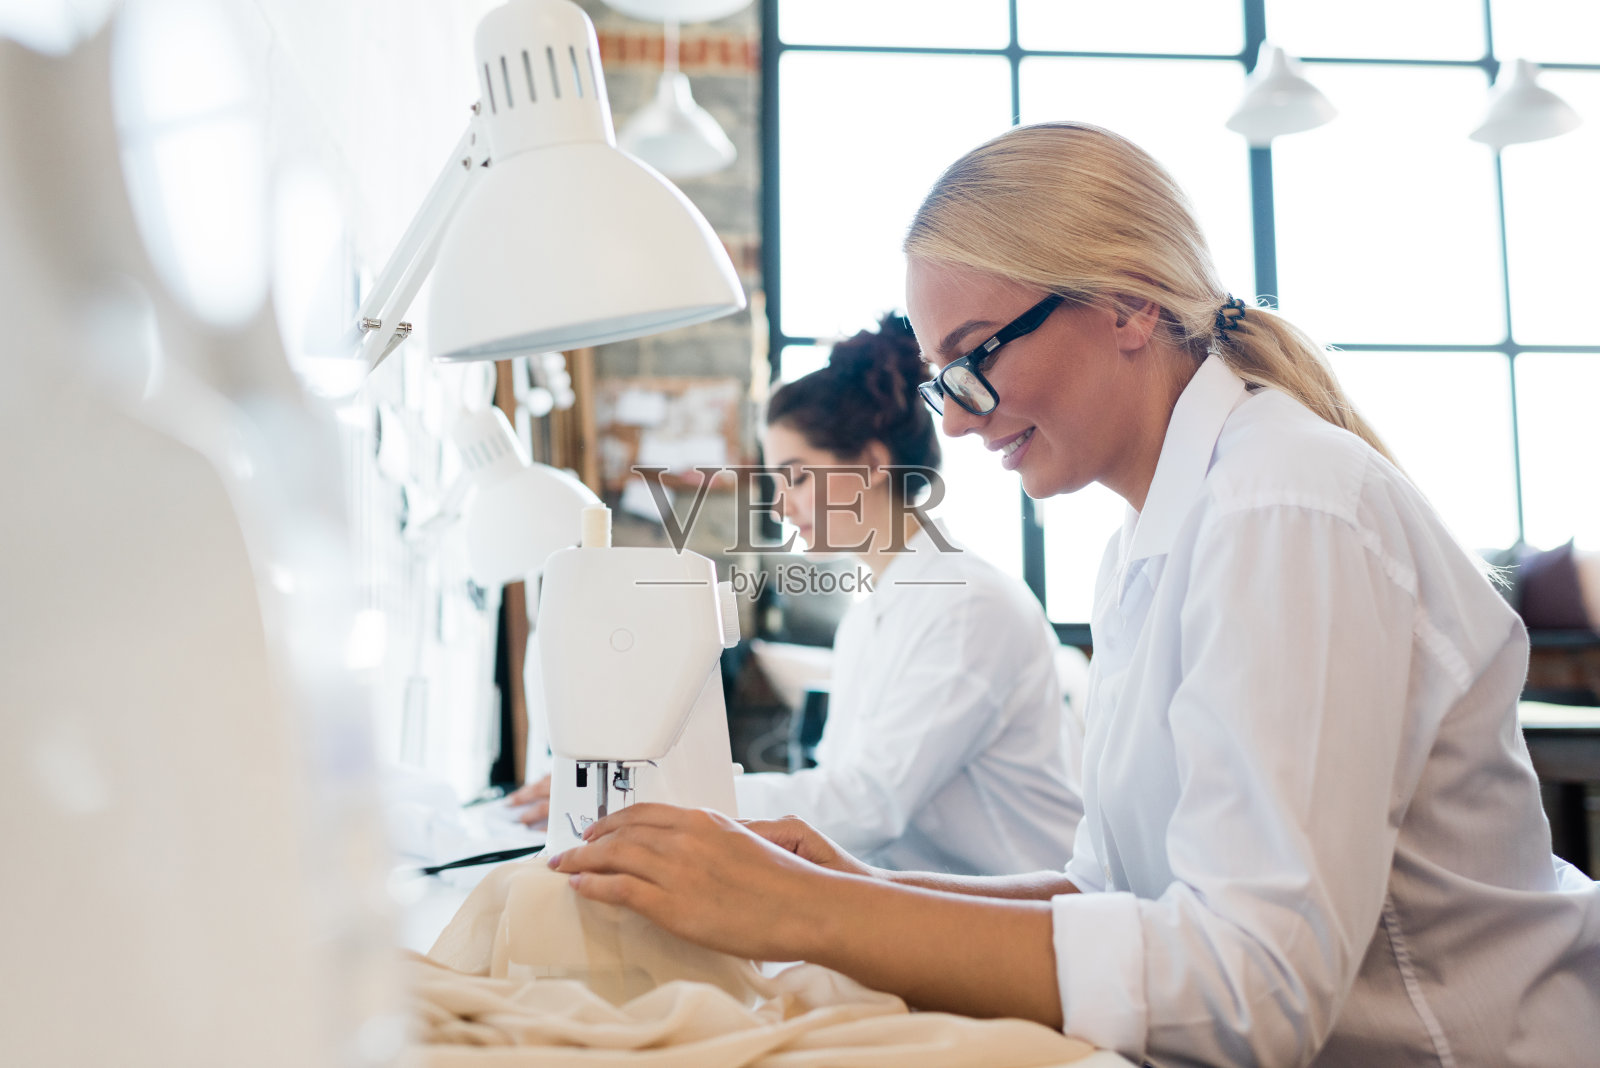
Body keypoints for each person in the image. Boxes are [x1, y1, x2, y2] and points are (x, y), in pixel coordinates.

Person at [546, 123, 1600, 1066]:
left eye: (974, 360)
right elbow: (1115, 899)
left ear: (1129, 304)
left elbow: (1255, 990)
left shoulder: (1282, 506)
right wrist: (851, 889)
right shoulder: (1150, 539)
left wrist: (807, 912)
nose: (953, 422)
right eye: (940, 380)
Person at [736, 312, 1083, 875]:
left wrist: (681, 797)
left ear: (873, 463)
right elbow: (841, 791)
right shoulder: (870, 615)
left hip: (1021, 917)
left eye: (796, 477)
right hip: (926, 904)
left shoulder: (968, 604)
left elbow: (869, 804)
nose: (781, 506)